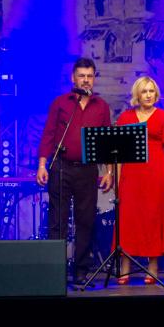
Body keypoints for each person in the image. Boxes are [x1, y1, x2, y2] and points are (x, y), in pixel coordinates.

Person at [36, 58, 112, 284]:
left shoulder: (101, 106)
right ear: (73, 78)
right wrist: (42, 165)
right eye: (81, 76)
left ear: (94, 78)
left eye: (89, 76)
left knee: (85, 221)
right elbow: (48, 134)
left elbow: (106, 142)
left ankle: (80, 272)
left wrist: (108, 172)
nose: (86, 80)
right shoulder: (61, 103)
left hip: (88, 169)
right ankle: (54, 271)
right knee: (57, 221)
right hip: (61, 167)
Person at [114, 76, 164, 284]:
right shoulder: (125, 117)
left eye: (152, 91)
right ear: (137, 94)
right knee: (128, 219)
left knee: (153, 218)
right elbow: (117, 152)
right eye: (144, 91)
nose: (149, 95)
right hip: (131, 175)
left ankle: (152, 267)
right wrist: (116, 180)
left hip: (156, 175)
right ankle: (125, 266)